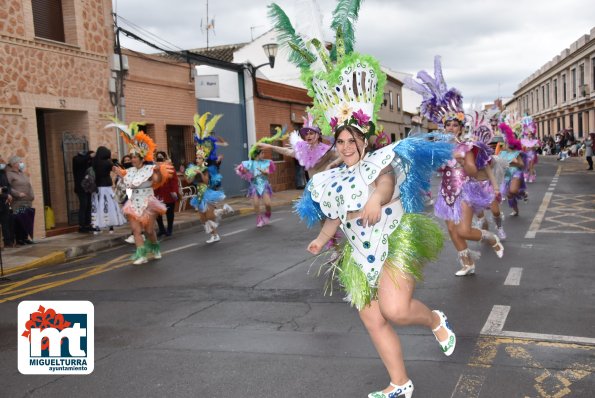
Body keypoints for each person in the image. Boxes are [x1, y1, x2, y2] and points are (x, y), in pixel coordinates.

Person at [273, 3, 456, 393]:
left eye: (351, 140)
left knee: (396, 309)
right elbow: (336, 215)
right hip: (360, 253)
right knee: (373, 320)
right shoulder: (331, 177)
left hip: (393, 240)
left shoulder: (380, 161)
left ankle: (435, 320)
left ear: (363, 139)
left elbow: (386, 184)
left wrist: (377, 199)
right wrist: (322, 238)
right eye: (339, 141)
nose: (346, 146)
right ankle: (399, 383)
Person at [406, 57, 504, 277]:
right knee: (452, 230)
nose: (451, 128)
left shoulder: (467, 145)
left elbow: (476, 170)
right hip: (446, 193)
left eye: (455, 125)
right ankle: (468, 263)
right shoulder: (440, 148)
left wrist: (464, 162)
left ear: (461, 127)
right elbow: (435, 169)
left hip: (465, 191)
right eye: (448, 125)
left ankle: (491, 238)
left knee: (463, 230)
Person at [108, 120, 172, 264]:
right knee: (136, 231)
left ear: (142, 158)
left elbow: (157, 179)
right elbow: (123, 177)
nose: (132, 160)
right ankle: (141, 255)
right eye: (131, 158)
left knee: (149, 231)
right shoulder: (129, 171)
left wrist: (158, 171)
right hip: (133, 203)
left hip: (148, 202)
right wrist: (116, 170)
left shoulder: (149, 169)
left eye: (135, 157)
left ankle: (155, 248)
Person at [257, 114, 338, 179]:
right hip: (312, 187)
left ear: (317, 135)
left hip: (325, 186)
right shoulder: (304, 150)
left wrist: (332, 165)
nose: (308, 136)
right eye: (306, 134)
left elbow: (341, 157)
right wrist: (271, 147)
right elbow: (287, 151)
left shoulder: (327, 150)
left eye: (311, 133)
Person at [235, 146, 276, 227]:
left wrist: (262, 171)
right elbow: (244, 171)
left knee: (268, 204)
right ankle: (259, 219)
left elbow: (267, 173)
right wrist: (243, 170)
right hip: (254, 186)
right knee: (256, 204)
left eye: (263, 153)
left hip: (264, 185)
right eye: (262, 153)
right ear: (256, 154)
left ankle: (267, 215)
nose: (263, 155)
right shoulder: (250, 163)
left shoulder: (266, 162)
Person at [90, 146, 126, 234]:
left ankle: (96, 226)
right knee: (109, 206)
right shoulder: (108, 163)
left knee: (97, 207)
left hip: (96, 187)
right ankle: (111, 227)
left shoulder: (93, 162)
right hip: (106, 186)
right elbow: (118, 171)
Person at [498, 123, 528, 216]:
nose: (507, 143)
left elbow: (522, 165)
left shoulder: (516, 153)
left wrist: (513, 163)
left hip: (516, 173)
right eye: (506, 142)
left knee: (513, 191)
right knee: (510, 195)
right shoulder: (502, 153)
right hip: (507, 175)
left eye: (509, 141)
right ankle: (515, 210)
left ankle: (522, 192)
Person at [6, 156, 35, 245]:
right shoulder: (9, 174)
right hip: (18, 202)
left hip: (27, 201)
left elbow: (28, 185)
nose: (21, 164)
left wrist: (31, 195)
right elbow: (8, 187)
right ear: (14, 164)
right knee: (19, 220)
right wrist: (18, 194)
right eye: (19, 162)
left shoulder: (22, 173)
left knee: (26, 219)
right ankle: (19, 239)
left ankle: (25, 238)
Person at [154, 151, 181, 237]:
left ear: (165, 158)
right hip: (157, 193)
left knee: (169, 212)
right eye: (158, 157)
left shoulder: (170, 168)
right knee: (158, 212)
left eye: (161, 157)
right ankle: (161, 229)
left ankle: (169, 229)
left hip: (168, 193)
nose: (159, 159)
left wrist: (173, 191)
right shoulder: (154, 168)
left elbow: (174, 181)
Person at [72, 150, 94, 233]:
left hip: (89, 186)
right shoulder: (76, 159)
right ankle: (81, 226)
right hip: (81, 187)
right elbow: (80, 161)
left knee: (89, 205)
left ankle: (88, 224)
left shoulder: (89, 161)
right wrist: (89, 157)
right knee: (83, 205)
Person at [0, 153, 15, 248]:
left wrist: (9, 195)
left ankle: (8, 242)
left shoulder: (3, 172)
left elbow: (8, 185)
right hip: (2, 199)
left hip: (4, 202)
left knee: (6, 223)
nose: (1, 160)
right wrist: (6, 195)